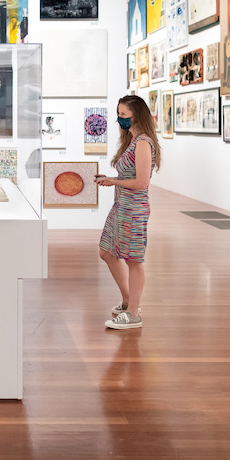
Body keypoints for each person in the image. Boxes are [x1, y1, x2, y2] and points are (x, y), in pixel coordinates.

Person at [95, 95, 162, 330]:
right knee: (106, 251)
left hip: (134, 209)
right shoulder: (132, 141)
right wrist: (110, 179)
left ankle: (134, 313)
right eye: (119, 114)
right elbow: (128, 176)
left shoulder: (143, 142)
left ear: (137, 115)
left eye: (123, 115)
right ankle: (127, 300)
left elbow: (142, 182)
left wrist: (113, 181)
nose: (119, 119)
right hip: (121, 206)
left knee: (134, 260)